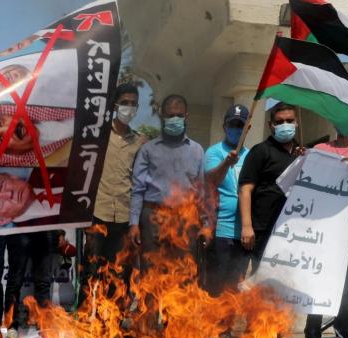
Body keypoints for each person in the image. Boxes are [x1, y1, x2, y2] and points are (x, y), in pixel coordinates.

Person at [295, 130, 348, 338]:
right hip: (320, 229)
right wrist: (304, 158)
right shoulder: (321, 151)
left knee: (345, 288)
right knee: (314, 283)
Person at [81, 83, 145, 307]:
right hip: (98, 213)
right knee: (91, 270)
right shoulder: (97, 135)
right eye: (125, 103)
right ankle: (87, 324)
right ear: (114, 105)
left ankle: (113, 325)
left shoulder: (140, 141)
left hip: (126, 217)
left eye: (133, 104)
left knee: (120, 273)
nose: (129, 108)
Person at [128, 94, 206, 264]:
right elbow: (138, 190)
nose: (175, 119)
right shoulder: (148, 150)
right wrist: (134, 223)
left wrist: (205, 224)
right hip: (153, 219)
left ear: (186, 116)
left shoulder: (197, 150)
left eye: (179, 115)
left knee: (184, 272)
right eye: (170, 115)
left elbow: (201, 191)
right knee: (152, 272)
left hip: (185, 220)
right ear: (162, 116)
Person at [238, 102, 302, 273]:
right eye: (279, 122)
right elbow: (245, 190)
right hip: (262, 231)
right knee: (259, 283)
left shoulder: (303, 155)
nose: (285, 125)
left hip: (291, 233)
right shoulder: (260, 151)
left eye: (289, 120)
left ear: (296, 123)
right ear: (270, 125)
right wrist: (246, 226)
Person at [201, 104, 251, 297]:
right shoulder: (214, 152)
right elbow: (211, 180)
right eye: (232, 125)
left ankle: (226, 327)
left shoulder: (252, 155)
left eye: (240, 125)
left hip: (244, 233)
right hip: (221, 229)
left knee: (234, 287)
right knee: (215, 286)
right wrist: (226, 163)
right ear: (224, 127)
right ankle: (211, 327)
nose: (236, 129)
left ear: (247, 128)